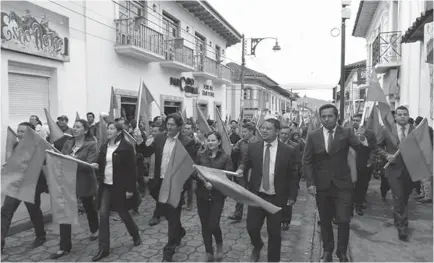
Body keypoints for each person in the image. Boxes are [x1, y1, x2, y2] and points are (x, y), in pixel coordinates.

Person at [303, 104, 371, 262]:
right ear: (320, 118)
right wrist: (310, 183)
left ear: (336, 117)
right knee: (325, 219)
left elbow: (361, 150)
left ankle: (342, 251)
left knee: (344, 219)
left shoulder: (346, 133)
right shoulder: (313, 135)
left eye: (330, 116)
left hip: (343, 185)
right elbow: (307, 161)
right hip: (322, 185)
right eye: (324, 116)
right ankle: (327, 250)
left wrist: (363, 140)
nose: (326, 119)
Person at [237, 118, 299, 262]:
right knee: (252, 228)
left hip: (276, 198)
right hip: (257, 197)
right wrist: (241, 169)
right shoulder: (254, 147)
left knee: (274, 234)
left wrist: (292, 195)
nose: (264, 130)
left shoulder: (288, 151)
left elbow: (293, 175)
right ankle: (257, 245)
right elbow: (245, 163)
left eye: (268, 128)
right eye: (262, 127)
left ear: (277, 131)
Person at [138, 113, 196, 262]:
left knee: (173, 215)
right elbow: (146, 152)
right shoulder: (159, 138)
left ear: (179, 127)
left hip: (176, 183)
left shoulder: (187, 142)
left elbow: (190, 165)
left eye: (172, 125)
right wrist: (141, 142)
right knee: (166, 211)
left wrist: (183, 185)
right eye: (167, 124)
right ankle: (180, 231)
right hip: (159, 182)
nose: (168, 127)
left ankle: (169, 249)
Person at [91, 122, 142, 261]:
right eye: (108, 128)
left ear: (119, 132)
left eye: (112, 128)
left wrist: (130, 189)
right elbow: (102, 163)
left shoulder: (126, 147)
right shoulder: (104, 146)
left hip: (120, 187)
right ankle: (103, 249)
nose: (108, 130)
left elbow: (132, 170)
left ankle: (135, 234)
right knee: (103, 215)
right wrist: (97, 164)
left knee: (124, 214)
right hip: (106, 186)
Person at [50, 119, 99, 259]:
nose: (75, 129)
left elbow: (89, 164)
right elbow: (61, 158)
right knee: (65, 211)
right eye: (74, 127)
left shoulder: (91, 144)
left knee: (89, 207)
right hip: (68, 182)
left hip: (84, 181)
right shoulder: (68, 142)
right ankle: (64, 246)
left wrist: (72, 159)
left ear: (86, 130)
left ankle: (94, 229)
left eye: (78, 127)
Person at [1, 122, 47, 252]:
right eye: (19, 131)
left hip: (30, 186)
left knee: (34, 212)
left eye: (23, 132)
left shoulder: (38, 148)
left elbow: (42, 167)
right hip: (15, 185)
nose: (19, 134)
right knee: (5, 211)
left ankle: (41, 235)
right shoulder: (15, 146)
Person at [376, 106, 416, 241]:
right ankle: (402, 226)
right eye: (400, 114)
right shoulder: (387, 130)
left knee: (404, 197)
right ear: (396, 117)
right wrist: (386, 155)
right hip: (394, 169)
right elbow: (377, 147)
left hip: (410, 169)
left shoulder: (414, 130)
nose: (402, 116)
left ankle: (398, 215)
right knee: (398, 197)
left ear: (408, 116)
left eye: (405, 114)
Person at [194, 131, 232, 261]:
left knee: (213, 224)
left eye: (213, 140)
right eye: (208, 140)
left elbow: (228, 177)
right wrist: (201, 180)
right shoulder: (200, 155)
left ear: (219, 142)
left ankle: (219, 244)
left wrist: (214, 185)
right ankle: (209, 251)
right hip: (202, 195)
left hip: (217, 196)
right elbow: (194, 171)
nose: (210, 143)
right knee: (205, 224)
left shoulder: (225, 158)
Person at [229, 122, 256, 222]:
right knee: (240, 192)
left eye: (245, 132)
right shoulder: (240, 142)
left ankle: (253, 216)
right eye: (242, 131)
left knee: (253, 193)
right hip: (241, 171)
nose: (243, 134)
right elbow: (234, 153)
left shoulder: (257, 142)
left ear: (251, 132)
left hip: (253, 172)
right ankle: (238, 214)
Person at [351, 114, 377, 216]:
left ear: (363, 122)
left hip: (364, 163)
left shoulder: (370, 134)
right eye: (354, 120)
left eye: (357, 120)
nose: (355, 122)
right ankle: (350, 204)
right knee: (349, 186)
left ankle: (359, 205)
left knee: (361, 186)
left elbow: (374, 148)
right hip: (350, 163)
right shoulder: (347, 132)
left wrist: (371, 161)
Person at [278, 126, 302, 231]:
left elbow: (297, 162)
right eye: (282, 133)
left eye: (286, 134)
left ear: (289, 134)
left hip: (288, 176)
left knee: (288, 201)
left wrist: (295, 178)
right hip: (276, 176)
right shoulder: (275, 144)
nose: (284, 135)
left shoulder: (295, 146)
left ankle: (286, 221)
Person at [146, 123, 166, 226]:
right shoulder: (150, 141)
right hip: (151, 171)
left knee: (159, 193)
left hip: (160, 172)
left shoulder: (164, 142)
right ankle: (163, 206)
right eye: (152, 131)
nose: (153, 133)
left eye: (155, 131)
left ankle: (156, 215)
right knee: (152, 190)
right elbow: (145, 152)